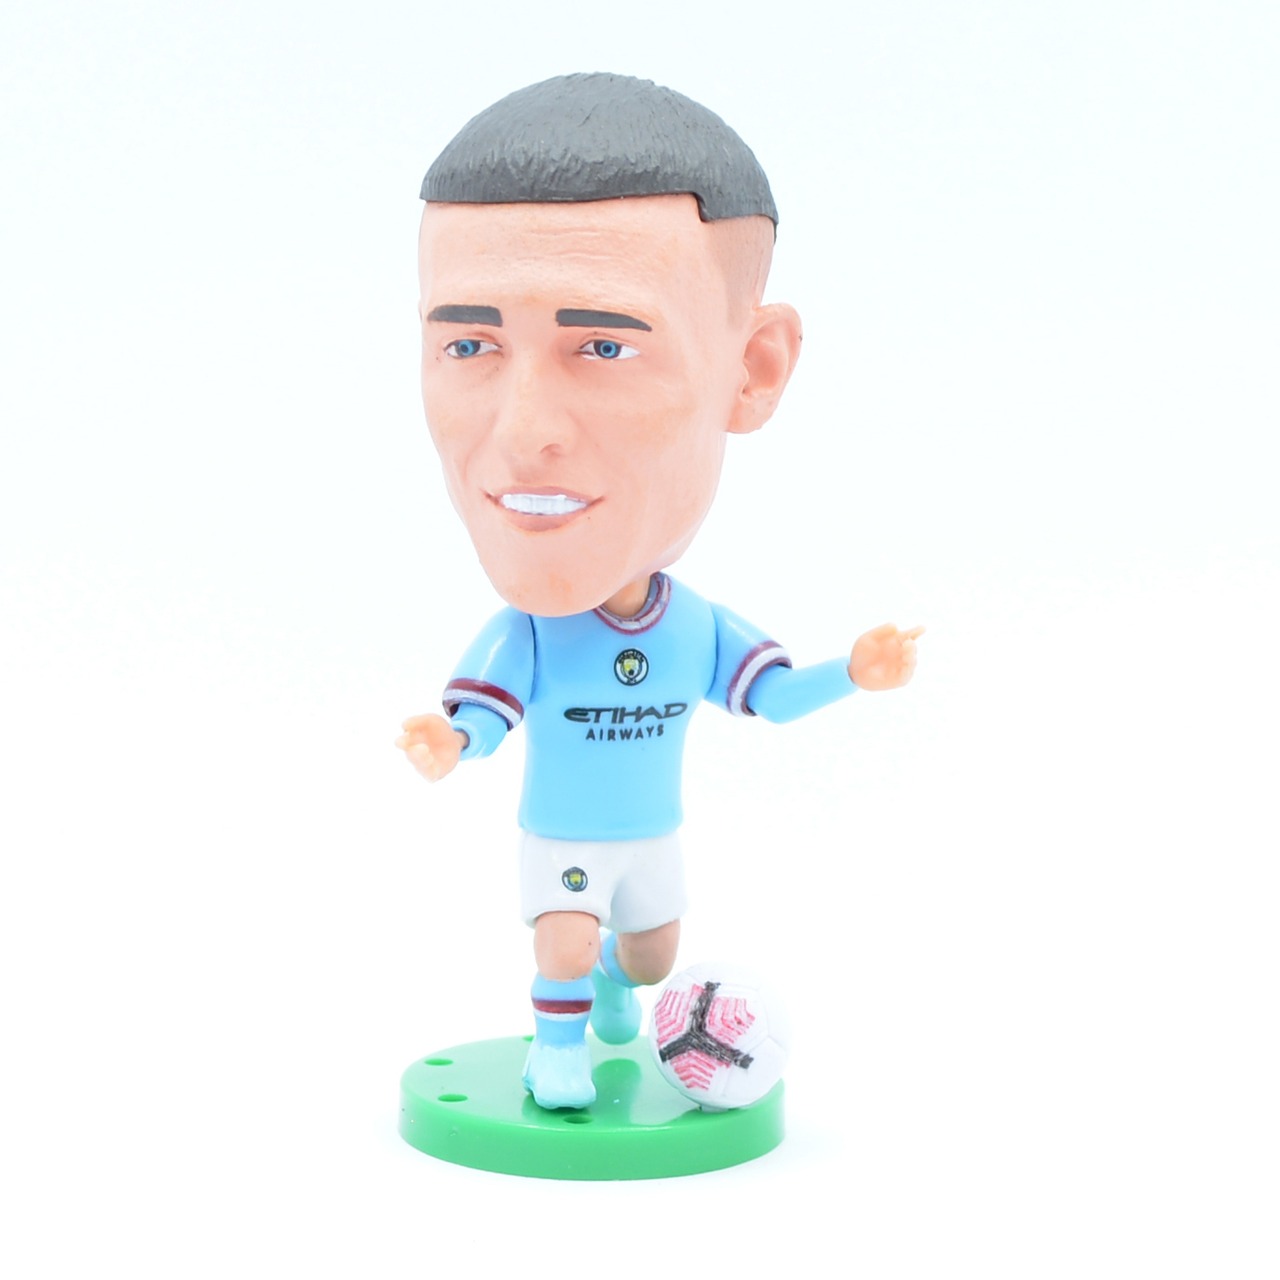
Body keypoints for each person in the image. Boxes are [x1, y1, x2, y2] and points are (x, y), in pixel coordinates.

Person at [397, 73, 921, 1109]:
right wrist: (450, 742)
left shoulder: (694, 627)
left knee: (647, 956)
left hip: (650, 833)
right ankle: (556, 1053)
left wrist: (852, 673)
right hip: (561, 834)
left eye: (602, 345)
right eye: (468, 344)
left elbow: (770, 697)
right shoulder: (526, 638)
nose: (522, 431)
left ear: (752, 369)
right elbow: (484, 714)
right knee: (560, 935)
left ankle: (609, 986)